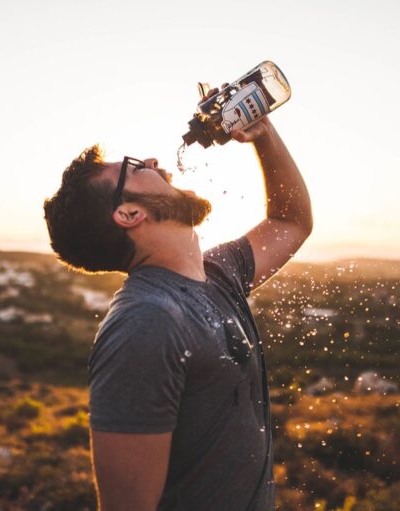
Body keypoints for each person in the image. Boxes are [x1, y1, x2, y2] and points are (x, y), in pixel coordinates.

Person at [43, 92, 312, 510]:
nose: (152, 161)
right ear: (129, 214)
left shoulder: (216, 275)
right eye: (133, 168)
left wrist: (263, 134)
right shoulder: (145, 323)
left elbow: (289, 220)